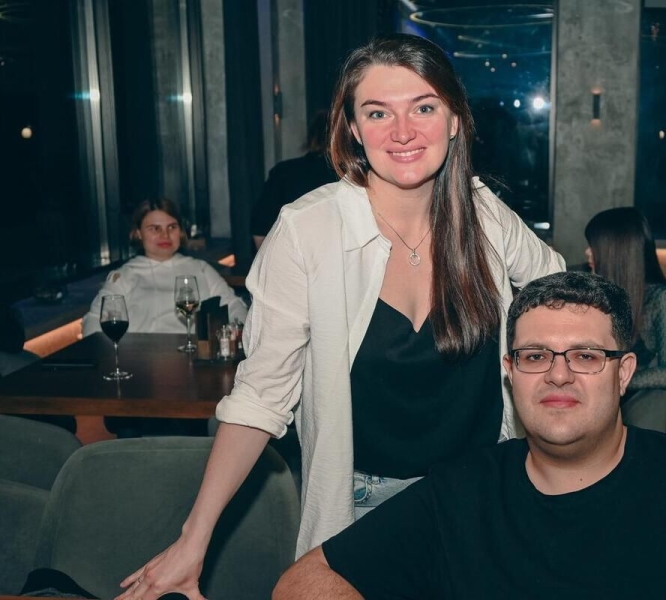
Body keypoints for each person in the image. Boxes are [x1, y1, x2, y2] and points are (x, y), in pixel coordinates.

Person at [115, 34, 563, 600]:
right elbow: (260, 396)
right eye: (378, 112)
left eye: (423, 108)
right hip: (364, 505)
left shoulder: (486, 217)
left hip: (483, 495)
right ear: (352, 127)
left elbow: (560, 299)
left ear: (454, 120)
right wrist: (193, 540)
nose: (403, 131)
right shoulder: (308, 230)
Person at [272, 272, 666, 600]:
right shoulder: (461, 490)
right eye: (535, 355)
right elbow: (303, 584)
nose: (558, 374)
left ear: (623, 374)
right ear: (510, 372)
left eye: (586, 356)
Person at [82, 199, 248, 337]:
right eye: (155, 228)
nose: (165, 235)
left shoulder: (201, 269)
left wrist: (235, 332)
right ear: (138, 233)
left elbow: (234, 305)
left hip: (192, 356)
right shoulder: (124, 275)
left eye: (172, 227)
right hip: (140, 359)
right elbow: (94, 319)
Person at [584, 207, 666, 431]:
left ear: (615, 251)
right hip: (591, 396)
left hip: (633, 400)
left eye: (593, 245)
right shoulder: (590, 288)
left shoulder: (660, 297)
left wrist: (613, 380)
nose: (587, 252)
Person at [250, 111, 337, 249]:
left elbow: (260, 229)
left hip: (292, 255)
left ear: (312, 137)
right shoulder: (356, 176)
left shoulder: (284, 171)